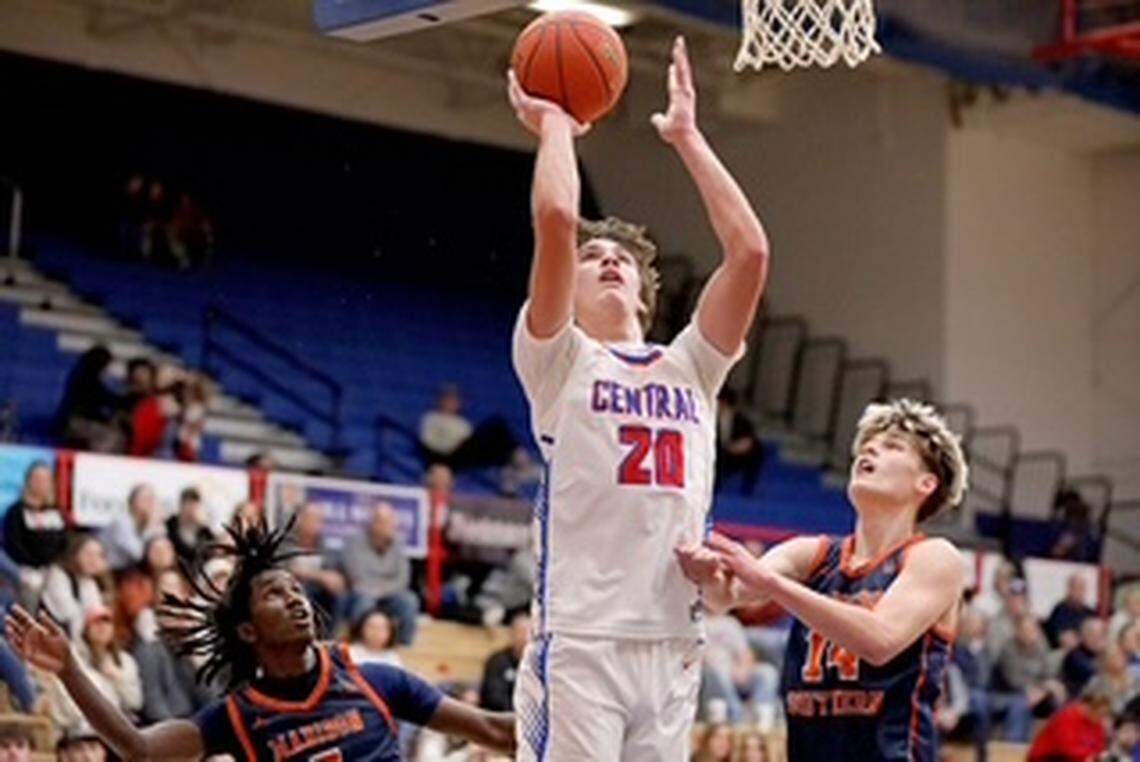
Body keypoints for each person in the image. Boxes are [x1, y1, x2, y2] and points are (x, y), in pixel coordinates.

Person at [507, 34, 769, 760]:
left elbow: (749, 254)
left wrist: (688, 137)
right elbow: (557, 220)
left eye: (621, 256)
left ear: (648, 296)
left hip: (675, 640)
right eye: (594, 259)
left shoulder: (691, 365)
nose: (609, 260)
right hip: (585, 640)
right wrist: (556, 122)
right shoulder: (559, 359)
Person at [5, 517, 515, 761]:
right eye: (275, 594)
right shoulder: (239, 717)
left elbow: (496, 731)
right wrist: (70, 669)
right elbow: (139, 749)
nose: (295, 599)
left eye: (297, 589)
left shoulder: (378, 681)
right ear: (248, 629)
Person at [679, 399, 969, 762]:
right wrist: (706, 575)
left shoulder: (934, 557)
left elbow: (880, 639)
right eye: (867, 444)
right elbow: (726, 598)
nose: (870, 448)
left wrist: (773, 585)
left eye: (892, 446)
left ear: (926, 483)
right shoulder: (811, 553)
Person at [342, 503, 420, 646]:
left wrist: (382, 590)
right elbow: (357, 575)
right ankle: (359, 644)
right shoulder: (354, 543)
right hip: (362, 593)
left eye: (391, 522)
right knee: (364, 601)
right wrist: (376, 589)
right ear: (373, 523)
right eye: (384, 522)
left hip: (389, 594)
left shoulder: (399, 544)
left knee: (409, 600)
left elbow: (403, 579)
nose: (389, 526)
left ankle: (403, 645)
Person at [1, 461, 67, 600]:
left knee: (60, 583)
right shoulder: (15, 512)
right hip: (23, 567)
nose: (41, 483)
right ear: (28, 481)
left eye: (45, 480)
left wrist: (52, 564)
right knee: (31, 584)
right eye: (37, 479)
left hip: (51, 568)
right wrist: (34, 566)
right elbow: (13, 544)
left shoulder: (56, 511)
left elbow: (63, 541)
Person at [55, 346, 126, 452]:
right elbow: (101, 400)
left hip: (79, 420)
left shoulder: (86, 376)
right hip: (75, 421)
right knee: (114, 437)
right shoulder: (87, 378)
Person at [1027, 687, 1112, 761]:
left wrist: (1099, 755)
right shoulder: (1067, 717)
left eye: (1104, 714)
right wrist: (1092, 755)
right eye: (1100, 714)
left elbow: (1099, 746)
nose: (1102, 718)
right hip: (1049, 758)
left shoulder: (1097, 722)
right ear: (1087, 708)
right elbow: (1067, 749)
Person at [98, 483, 161, 572]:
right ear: (132, 502)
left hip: (132, 573)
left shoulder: (152, 523)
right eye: (145, 499)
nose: (150, 503)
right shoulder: (121, 522)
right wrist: (151, 526)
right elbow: (138, 554)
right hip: (112, 572)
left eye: (152, 499)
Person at [714, 388, 763, 495]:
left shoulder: (742, 421)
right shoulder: (710, 420)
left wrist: (739, 446)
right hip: (716, 454)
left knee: (756, 451)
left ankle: (748, 489)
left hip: (734, 454)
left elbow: (749, 439)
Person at [478, 612, 529, 712]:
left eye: (529, 633)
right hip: (501, 718)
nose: (525, 638)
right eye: (521, 632)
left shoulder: (537, 665)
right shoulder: (497, 661)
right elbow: (494, 698)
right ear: (512, 635)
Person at [164, 487, 213, 565]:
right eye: (187, 504)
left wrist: (204, 527)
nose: (190, 510)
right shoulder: (168, 527)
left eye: (194, 506)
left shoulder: (205, 533)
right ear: (181, 506)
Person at [1045, 573, 1097, 647]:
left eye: (1082, 588)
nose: (1080, 592)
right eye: (1076, 588)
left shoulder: (1090, 613)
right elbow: (1060, 637)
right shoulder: (1059, 610)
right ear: (1069, 589)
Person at [1062, 617, 1108, 698]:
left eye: (1101, 635)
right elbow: (1095, 675)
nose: (1097, 639)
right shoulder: (1075, 656)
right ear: (1083, 636)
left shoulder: (1104, 652)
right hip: (1080, 697)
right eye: (1092, 635)